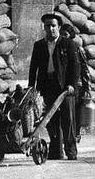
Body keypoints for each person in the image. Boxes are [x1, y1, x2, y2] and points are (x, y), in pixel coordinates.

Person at [28, 13, 83, 160]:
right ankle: (55, 152)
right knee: (50, 120)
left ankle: (71, 152)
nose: (50, 29)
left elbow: (75, 66)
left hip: (65, 87)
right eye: (47, 26)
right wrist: (31, 87)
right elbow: (33, 68)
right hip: (47, 86)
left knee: (68, 120)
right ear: (44, 28)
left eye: (53, 26)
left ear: (58, 27)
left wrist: (72, 84)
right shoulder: (39, 45)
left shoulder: (68, 44)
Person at [61, 24, 94, 140]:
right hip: (64, 84)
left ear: (71, 35)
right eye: (62, 34)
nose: (63, 37)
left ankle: (76, 133)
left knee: (76, 110)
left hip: (77, 84)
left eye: (65, 35)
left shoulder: (77, 48)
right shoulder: (59, 48)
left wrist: (87, 87)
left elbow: (84, 68)